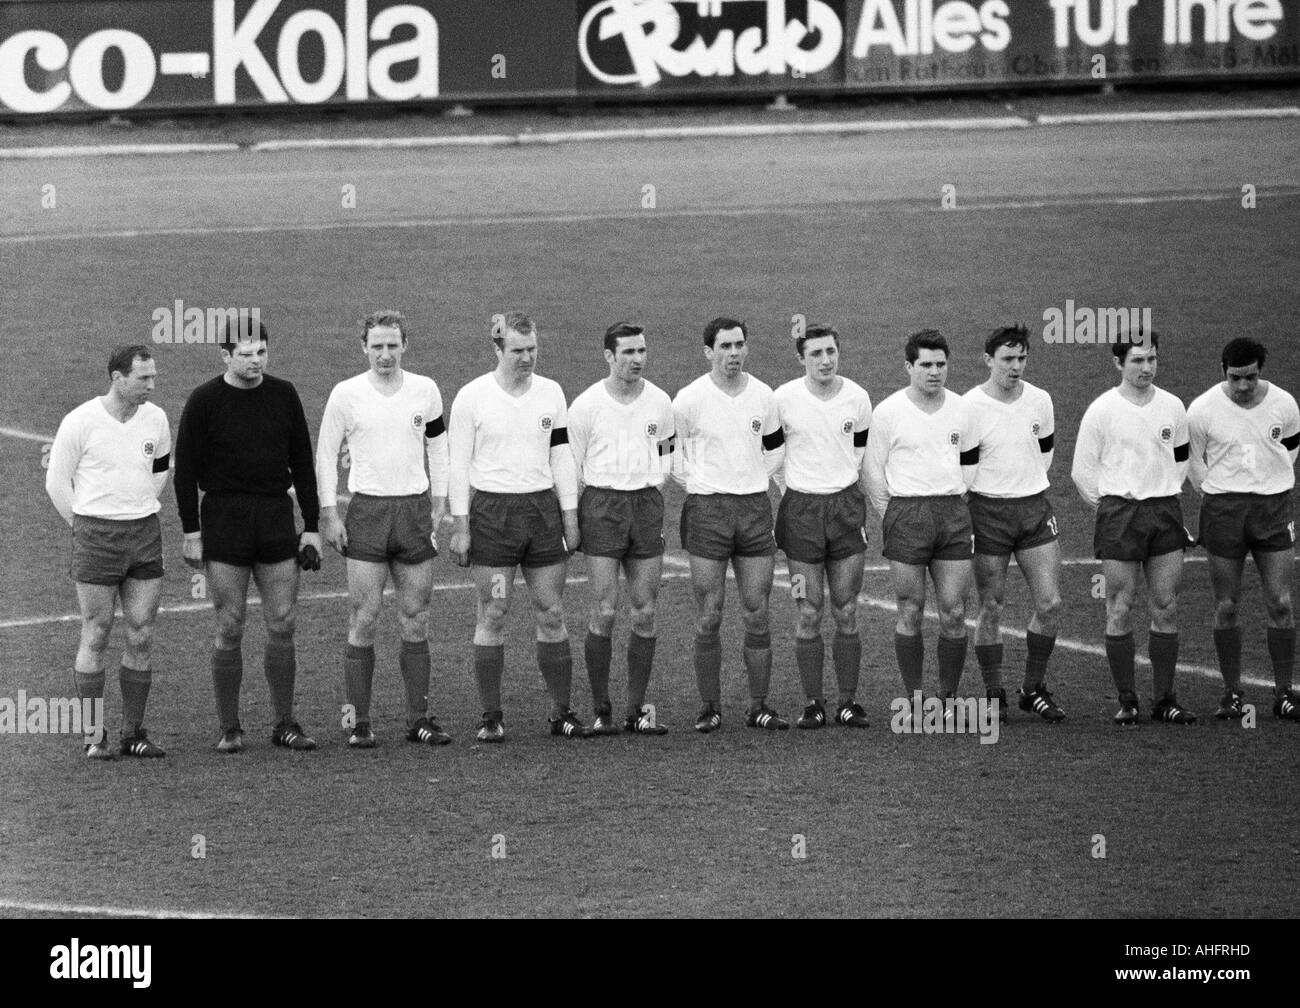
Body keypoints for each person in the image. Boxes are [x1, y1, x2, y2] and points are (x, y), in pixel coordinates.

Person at [175, 316, 322, 753]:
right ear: (225, 356)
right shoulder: (204, 400)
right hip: (224, 518)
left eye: (261, 352)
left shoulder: (284, 394)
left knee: (283, 621)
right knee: (230, 623)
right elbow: (184, 472)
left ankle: (284, 722)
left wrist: (311, 527)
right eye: (245, 354)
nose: (255, 361)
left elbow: (303, 461)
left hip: (276, 517)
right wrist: (191, 532)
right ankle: (230, 726)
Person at [447, 311, 590, 741]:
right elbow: (457, 466)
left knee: (553, 610)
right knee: (494, 610)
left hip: (543, 516)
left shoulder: (551, 393)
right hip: (493, 518)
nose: (527, 358)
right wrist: (461, 526)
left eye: (532, 350)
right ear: (497, 349)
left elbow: (561, 456)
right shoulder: (471, 398)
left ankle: (560, 713)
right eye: (517, 350)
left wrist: (569, 516)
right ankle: (491, 716)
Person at [317, 311, 452, 748]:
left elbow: (439, 446)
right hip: (368, 513)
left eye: (393, 345)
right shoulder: (346, 394)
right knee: (364, 617)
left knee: (416, 618)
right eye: (377, 346)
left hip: (413, 512)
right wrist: (331, 515)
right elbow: (325, 455)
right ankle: (358, 722)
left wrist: (439, 501)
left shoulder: (425, 390)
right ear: (364, 348)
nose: (385, 354)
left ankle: (419, 719)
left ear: (404, 345)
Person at [46, 345, 171, 759]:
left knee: (142, 631)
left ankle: (133, 732)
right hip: (97, 538)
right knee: (96, 632)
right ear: (118, 378)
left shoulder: (156, 418)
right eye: (143, 378)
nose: (151, 385)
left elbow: (161, 470)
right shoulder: (80, 421)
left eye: (153, 377)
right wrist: (85, 526)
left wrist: (137, 506)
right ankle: (93, 735)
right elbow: (57, 482)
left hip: (144, 534)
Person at [1071, 332, 1196, 725]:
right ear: (1118, 363)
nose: (1146, 368)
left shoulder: (1173, 406)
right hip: (1120, 515)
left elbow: (1181, 459)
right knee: (1119, 606)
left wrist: (1160, 492)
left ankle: (1165, 698)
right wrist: (1112, 506)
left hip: (1164, 513)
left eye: (1152, 359)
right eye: (1138, 361)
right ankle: (1127, 698)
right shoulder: (1102, 410)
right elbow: (1081, 473)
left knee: (1166, 606)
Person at [672, 317, 786, 733]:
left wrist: (752, 476)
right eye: (725, 346)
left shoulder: (764, 395)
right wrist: (701, 483)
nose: (734, 353)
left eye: (739, 345)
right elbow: (671, 454)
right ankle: (709, 707)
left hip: (754, 510)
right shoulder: (687, 400)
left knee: (758, 612)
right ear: (708, 352)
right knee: (709, 613)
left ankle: (759, 705)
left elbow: (775, 450)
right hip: (707, 512)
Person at [568, 323, 675, 735]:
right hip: (602, 506)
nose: (637, 359)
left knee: (645, 611)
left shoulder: (660, 401)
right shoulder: (587, 405)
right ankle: (601, 708)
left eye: (642, 351)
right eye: (628, 352)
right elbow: (572, 466)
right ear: (609, 357)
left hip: (645, 506)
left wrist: (653, 479)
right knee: (605, 610)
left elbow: (668, 450)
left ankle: (636, 711)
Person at [863, 330, 978, 713]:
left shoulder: (962, 409)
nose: (934, 372)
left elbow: (971, 463)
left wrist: (957, 497)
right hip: (906, 514)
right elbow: (872, 472)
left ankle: (948, 697)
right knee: (910, 607)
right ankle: (914, 697)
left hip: (952, 514)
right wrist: (892, 513)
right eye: (926, 365)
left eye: (941, 365)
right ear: (909, 367)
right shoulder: (889, 411)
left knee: (955, 611)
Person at [1188, 337, 1300, 722]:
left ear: (1260, 372)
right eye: (1235, 378)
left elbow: (1291, 448)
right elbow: (1193, 461)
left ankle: (1284, 692)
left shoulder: (1284, 404)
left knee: (1281, 602)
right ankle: (1232, 692)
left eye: (1250, 378)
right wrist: (1213, 492)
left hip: (1272, 508)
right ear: (1224, 373)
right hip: (1224, 512)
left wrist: (1268, 480)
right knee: (1226, 604)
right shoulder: (1202, 409)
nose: (1242, 386)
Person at [772, 323, 873, 729]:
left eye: (831, 351)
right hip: (800, 514)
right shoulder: (783, 399)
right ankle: (813, 702)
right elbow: (774, 457)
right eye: (815, 354)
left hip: (846, 510)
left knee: (847, 608)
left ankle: (848, 702)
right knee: (808, 609)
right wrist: (795, 494)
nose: (825, 360)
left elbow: (861, 454)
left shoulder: (858, 398)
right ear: (801, 359)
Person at [963, 325, 1065, 723]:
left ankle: (1033, 688)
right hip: (988, 514)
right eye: (1007, 359)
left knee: (1051, 603)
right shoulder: (970, 406)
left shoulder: (1040, 400)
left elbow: (1046, 454)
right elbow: (965, 468)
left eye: (1021, 358)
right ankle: (993, 692)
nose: (1016, 366)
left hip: (1034, 510)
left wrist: (1024, 485)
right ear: (989, 360)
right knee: (991, 605)